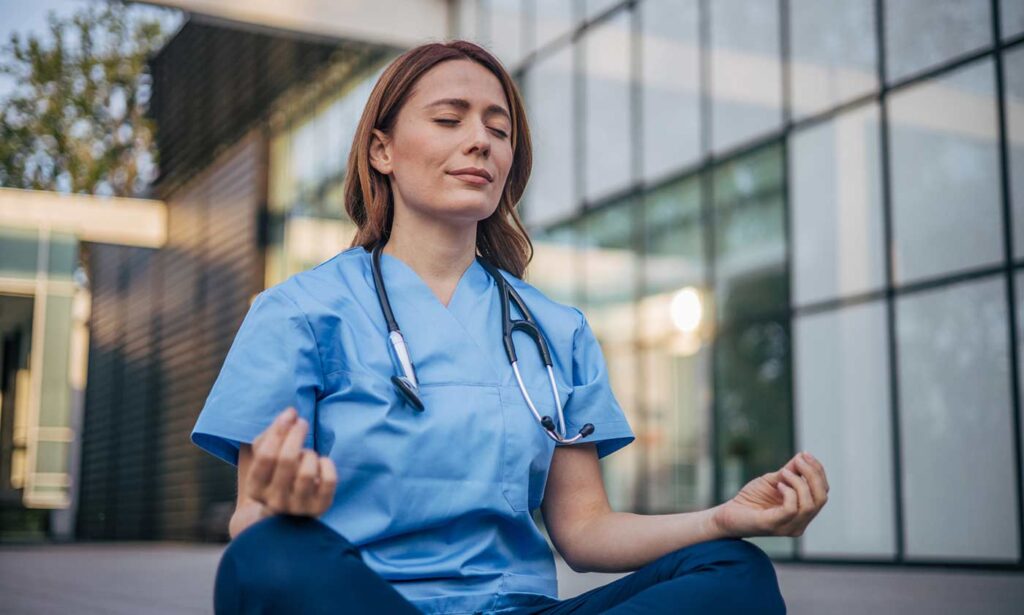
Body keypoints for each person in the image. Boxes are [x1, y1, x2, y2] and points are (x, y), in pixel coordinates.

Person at [190, 39, 828, 615]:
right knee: (263, 559)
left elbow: (584, 533)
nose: (481, 141)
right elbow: (254, 521)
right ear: (381, 149)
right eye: (449, 119)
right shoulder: (300, 312)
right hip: (365, 602)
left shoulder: (556, 329)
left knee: (733, 569)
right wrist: (281, 516)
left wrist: (724, 517)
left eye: (499, 130)